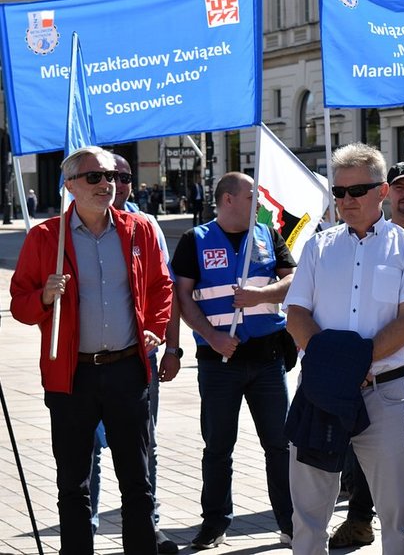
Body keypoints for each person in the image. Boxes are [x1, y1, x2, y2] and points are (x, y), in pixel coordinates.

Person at [10, 146, 172, 555]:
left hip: (127, 371)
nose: (108, 184)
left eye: (111, 177)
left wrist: (154, 329)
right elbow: (19, 305)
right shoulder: (45, 237)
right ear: (70, 186)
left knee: (137, 480)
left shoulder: (139, 229)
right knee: (74, 484)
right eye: (95, 177)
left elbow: (160, 287)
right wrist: (44, 298)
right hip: (71, 376)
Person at [284, 142, 404, 555]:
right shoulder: (318, 247)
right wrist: (336, 370)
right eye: (339, 192)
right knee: (309, 512)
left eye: (357, 191)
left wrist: (350, 366)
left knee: (397, 514)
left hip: (384, 392)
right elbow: (296, 314)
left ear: (382, 191)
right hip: (320, 393)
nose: (346, 201)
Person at [172, 171, 295, 550]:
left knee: (279, 445)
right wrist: (212, 336)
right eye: (250, 197)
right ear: (228, 200)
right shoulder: (195, 240)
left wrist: (263, 295)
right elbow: (182, 297)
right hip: (218, 360)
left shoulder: (267, 235)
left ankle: (291, 523)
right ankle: (214, 523)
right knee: (218, 446)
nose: (257, 203)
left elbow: (293, 278)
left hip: (268, 358)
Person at [329, 160, 404, 553]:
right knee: (361, 451)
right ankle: (359, 519)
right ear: (387, 192)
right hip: (362, 372)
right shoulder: (338, 243)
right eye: (399, 186)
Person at [89, 154, 182, 554]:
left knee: (144, 444)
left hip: (138, 359)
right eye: (108, 177)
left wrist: (169, 344)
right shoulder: (64, 231)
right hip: (84, 365)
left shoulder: (146, 226)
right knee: (88, 447)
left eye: (123, 177)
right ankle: (85, 526)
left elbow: (167, 289)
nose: (118, 183)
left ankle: (148, 526)